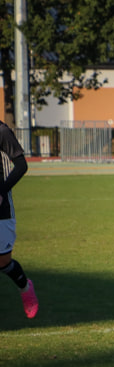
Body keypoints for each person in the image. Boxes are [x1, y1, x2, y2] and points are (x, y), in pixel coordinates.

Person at [0, 120, 37, 319]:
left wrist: (1, 192)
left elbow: (21, 165)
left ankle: (24, 287)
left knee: (3, 261)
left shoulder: (2, 132)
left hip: (2, 208)